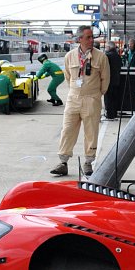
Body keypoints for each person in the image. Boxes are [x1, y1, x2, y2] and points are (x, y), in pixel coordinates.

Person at [50, 25, 109, 177]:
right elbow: (69, 76)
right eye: (88, 37)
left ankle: (88, 162)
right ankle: (63, 162)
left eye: (92, 37)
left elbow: (105, 79)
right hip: (73, 98)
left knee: (91, 132)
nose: (91, 40)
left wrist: (96, 94)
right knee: (67, 129)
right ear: (79, 39)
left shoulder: (101, 56)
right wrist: (77, 90)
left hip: (92, 98)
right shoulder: (70, 56)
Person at [104, 41, 122, 120]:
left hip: (109, 80)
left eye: (106, 47)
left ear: (109, 47)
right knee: (114, 98)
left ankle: (109, 115)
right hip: (116, 80)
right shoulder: (117, 56)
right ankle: (114, 114)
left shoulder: (107, 56)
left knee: (108, 98)